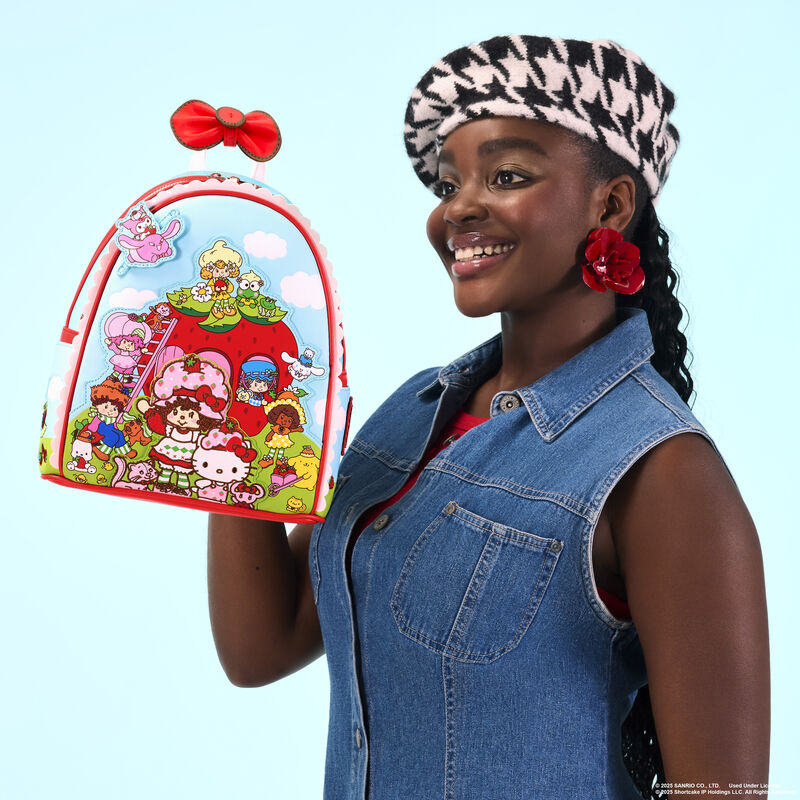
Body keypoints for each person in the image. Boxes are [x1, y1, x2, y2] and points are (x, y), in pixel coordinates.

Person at [207, 35, 769, 800]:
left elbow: (723, 794)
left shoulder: (664, 473)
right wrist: (231, 420)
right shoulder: (412, 416)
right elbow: (260, 646)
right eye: (448, 182)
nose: (459, 207)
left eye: (505, 176)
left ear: (611, 203)